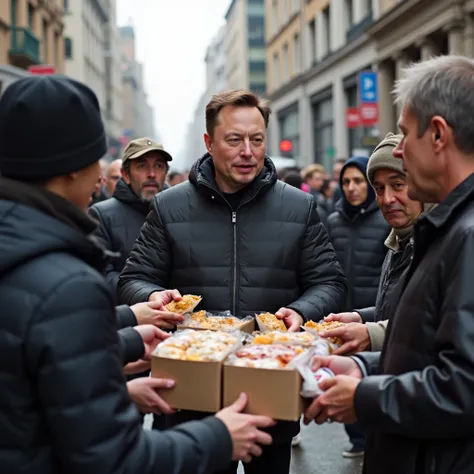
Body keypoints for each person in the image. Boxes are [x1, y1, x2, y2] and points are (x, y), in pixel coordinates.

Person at [0, 75, 275, 474]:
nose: (100, 177)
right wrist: (218, 436)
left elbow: (28, 360)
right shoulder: (69, 283)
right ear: (71, 169)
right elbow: (115, 459)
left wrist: (127, 336)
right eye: (96, 160)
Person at [118, 89, 347, 474]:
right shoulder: (170, 205)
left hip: (270, 375)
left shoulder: (298, 206)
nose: (248, 152)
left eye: (256, 140)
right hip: (194, 382)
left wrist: (300, 310)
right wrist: (155, 296)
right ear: (209, 142)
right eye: (234, 140)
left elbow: (329, 282)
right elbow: (134, 279)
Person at [305, 55, 474, 474]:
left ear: (437, 134)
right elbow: (429, 355)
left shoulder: (467, 234)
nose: (398, 149)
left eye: (403, 134)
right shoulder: (448, 227)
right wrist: (363, 366)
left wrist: (363, 396)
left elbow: (463, 387)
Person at [322, 133, 431, 354]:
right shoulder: (398, 240)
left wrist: (373, 335)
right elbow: (398, 309)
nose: (387, 199)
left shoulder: (440, 243)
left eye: (398, 184)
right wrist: (362, 316)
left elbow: (437, 328)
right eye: (379, 188)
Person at [325, 156, 389, 457]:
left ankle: (373, 439)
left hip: (376, 314)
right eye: (346, 182)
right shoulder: (334, 219)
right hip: (345, 312)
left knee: (376, 377)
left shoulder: (387, 218)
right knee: (346, 370)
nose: (352, 188)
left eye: (359, 181)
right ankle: (357, 440)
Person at [89, 138, 172, 294]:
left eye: (159, 166)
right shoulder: (101, 215)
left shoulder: (179, 211)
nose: (152, 174)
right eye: (142, 166)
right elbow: (102, 273)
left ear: (166, 173)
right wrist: (146, 296)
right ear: (125, 175)